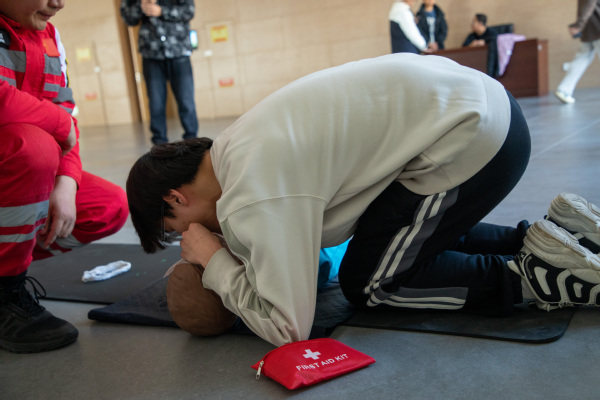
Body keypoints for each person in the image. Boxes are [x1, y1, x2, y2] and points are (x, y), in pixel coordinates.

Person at [127, 53, 600, 347]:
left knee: (372, 281)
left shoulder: (246, 193)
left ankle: (535, 278)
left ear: (176, 197)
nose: (193, 237)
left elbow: (289, 328)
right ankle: (557, 237)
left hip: (475, 140)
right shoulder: (236, 146)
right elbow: (307, 261)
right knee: (394, 237)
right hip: (486, 111)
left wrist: (214, 262)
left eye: (179, 230)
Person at [0, 0, 130, 353]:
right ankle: (5, 293)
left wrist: (67, 181)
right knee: (34, 147)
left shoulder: (49, 37)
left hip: (24, 167)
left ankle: (11, 266)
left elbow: (66, 111)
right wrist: (59, 124)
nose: (58, 3)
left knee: (108, 206)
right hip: (18, 158)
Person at [120, 0, 198, 145]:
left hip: (179, 52)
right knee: (156, 103)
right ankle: (159, 145)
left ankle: (192, 142)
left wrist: (162, 11)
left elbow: (189, 11)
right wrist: (141, 5)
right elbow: (128, 18)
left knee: (186, 101)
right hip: (151, 55)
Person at [555, 0, 600, 104]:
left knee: (581, 59)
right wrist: (578, 25)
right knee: (582, 59)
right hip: (596, 28)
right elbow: (589, 3)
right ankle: (564, 90)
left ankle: (564, 89)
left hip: (588, 30)